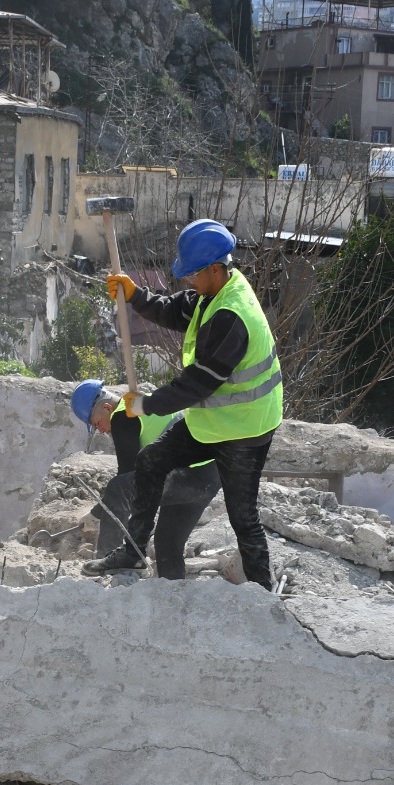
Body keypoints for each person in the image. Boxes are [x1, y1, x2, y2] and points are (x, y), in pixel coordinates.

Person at [84, 220, 284, 588]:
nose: (186, 281)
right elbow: (177, 310)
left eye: (192, 274)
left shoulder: (231, 315)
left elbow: (199, 384)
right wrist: (135, 295)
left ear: (215, 268)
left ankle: (262, 596)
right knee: (151, 461)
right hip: (215, 421)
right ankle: (133, 549)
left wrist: (146, 404)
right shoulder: (214, 293)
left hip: (245, 427)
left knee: (244, 517)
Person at [70, 379, 219, 580]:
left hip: (185, 475)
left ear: (106, 407)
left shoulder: (123, 416)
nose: (102, 431)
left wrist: (97, 513)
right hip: (208, 476)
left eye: (97, 423)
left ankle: (105, 565)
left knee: (119, 487)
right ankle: (173, 596)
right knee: (167, 545)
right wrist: (98, 512)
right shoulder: (139, 404)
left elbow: (125, 480)